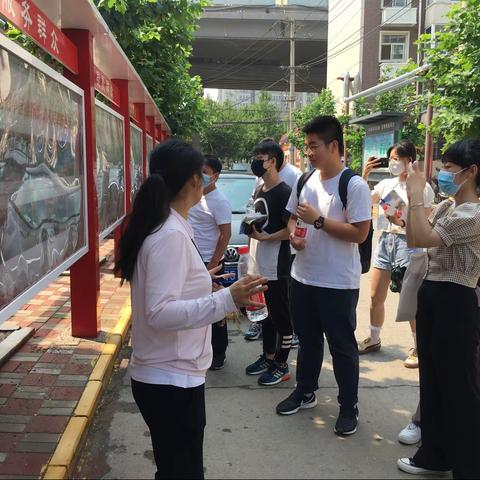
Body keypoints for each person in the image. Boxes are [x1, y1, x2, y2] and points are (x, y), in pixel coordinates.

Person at [115, 140, 267, 480]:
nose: (206, 181)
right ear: (191, 182)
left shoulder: (168, 224)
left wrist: (203, 280)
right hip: (170, 381)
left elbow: (170, 289)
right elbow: (159, 312)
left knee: (174, 469)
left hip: (170, 377)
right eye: (202, 174)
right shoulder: (169, 234)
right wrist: (227, 299)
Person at [276, 116, 372, 436]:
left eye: (314, 146)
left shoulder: (353, 185)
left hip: (338, 284)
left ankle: (348, 406)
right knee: (308, 341)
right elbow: (291, 219)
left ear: (334, 146)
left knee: (342, 347)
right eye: (307, 147)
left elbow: (359, 234)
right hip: (303, 277)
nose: (309, 153)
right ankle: (306, 391)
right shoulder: (306, 181)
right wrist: (293, 236)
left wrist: (318, 221)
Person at [397, 139, 480, 479]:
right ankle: (434, 454)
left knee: (458, 385)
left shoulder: (472, 214)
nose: (443, 174)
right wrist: (415, 203)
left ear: (471, 171)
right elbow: (415, 238)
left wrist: (416, 196)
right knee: (431, 379)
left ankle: (468, 465)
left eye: (448, 168)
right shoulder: (448, 206)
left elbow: (426, 238)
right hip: (433, 295)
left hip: (455, 300)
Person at [358, 140, 435, 369]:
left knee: (409, 299)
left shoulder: (423, 187)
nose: (392, 163)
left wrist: (401, 221)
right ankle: (374, 339)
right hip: (385, 241)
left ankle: (418, 346)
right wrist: (364, 173)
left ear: (409, 161)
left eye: (396, 159)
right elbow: (363, 199)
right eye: (390, 158)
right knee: (374, 295)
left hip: (408, 242)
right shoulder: (386, 184)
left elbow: (424, 222)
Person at [245, 140, 293, 385]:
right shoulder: (260, 189)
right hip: (260, 260)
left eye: (260, 157)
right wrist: (250, 227)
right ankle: (268, 356)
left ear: (272, 161)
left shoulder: (285, 193)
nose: (256, 161)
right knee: (265, 315)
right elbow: (256, 216)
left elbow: (290, 230)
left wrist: (267, 237)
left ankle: (282, 365)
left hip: (277, 264)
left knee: (281, 316)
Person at [189, 155, 232, 371]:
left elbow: (225, 235)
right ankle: (200, 350)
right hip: (193, 260)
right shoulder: (194, 195)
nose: (201, 175)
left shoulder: (219, 201)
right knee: (196, 308)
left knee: (215, 310)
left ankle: (219, 352)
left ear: (215, 176)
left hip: (210, 262)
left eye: (205, 172)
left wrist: (212, 265)